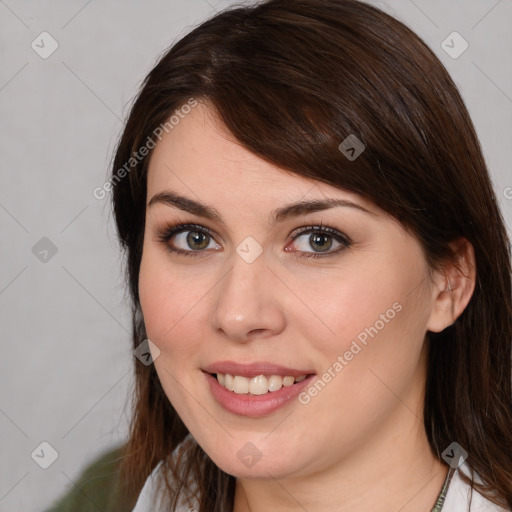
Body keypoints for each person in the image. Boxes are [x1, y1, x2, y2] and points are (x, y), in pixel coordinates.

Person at [50, 0, 512, 510]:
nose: (238, 314)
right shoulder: (108, 493)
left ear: (448, 282)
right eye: (193, 238)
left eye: (318, 240)